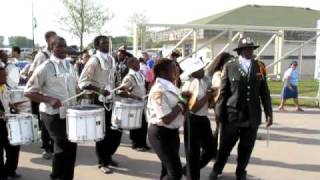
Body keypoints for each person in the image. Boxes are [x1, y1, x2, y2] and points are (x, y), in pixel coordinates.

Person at [209, 37, 273, 180]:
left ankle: (241, 172)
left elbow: (264, 92)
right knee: (225, 146)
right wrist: (219, 114)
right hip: (232, 115)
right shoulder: (230, 66)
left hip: (252, 116)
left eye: (251, 49)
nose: (250, 51)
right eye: (246, 49)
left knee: (246, 148)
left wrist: (269, 113)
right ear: (240, 51)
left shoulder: (260, 66)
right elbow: (223, 93)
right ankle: (217, 169)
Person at [24, 36, 78, 180]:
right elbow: (28, 91)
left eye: (64, 46)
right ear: (51, 48)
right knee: (62, 147)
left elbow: (75, 87)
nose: (63, 49)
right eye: (59, 46)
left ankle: (64, 176)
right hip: (52, 114)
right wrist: (49, 99)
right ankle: (57, 176)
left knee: (71, 147)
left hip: (70, 113)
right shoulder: (44, 67)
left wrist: (82, 93)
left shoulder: (70, 65)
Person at [78, 35, 121, 174]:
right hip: (99, 101)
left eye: (108, 42)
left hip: (111, 99)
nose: (107, 45)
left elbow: (113, 79)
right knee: (102, 133)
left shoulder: (111, 59)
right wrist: (100, 90)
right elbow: (83, 82)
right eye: (104, 43)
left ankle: (108, 156)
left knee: (115, 132)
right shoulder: (94, 61)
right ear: (97, 46)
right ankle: (103, 162)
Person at [147, 58, 190, 180]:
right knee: (176, 173)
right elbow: (166, 118)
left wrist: (186, 103)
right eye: (174, 68)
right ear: (163, 72)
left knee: (166, 169)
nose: (177, 71)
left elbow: (182, 111)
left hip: (172, 133)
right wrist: (181, 104)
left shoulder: (172, 87)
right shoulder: (158, 90)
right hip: (160, 133)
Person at [179, 58, 216, 180]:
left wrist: (212, 98)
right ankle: (192, 175)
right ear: (192, 72)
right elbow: (193, 108)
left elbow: (209, 103)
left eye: (201, 68)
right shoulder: (189, 85)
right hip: (192, 119)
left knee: (211, 150)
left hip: (203, 119)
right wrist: (208, 95)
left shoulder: (205, 80)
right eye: (198, 69)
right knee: (192, 153)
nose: (202, 70)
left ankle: (187, 169)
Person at [28, 31, 57, 159]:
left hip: (55, 93)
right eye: (53, 40)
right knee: (46, 122)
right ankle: (46, 148)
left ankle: (54, 145)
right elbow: (33, 73)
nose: (56, 42)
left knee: (54, 121)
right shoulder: (42, 55)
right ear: (47, 40)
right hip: (44, 94)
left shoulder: (55, 54)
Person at [118, 57, 150, 151]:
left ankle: (143, 143)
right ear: (131, 65)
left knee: (144, 125)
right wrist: (134, 97)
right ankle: (136, 144)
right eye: (136, 63)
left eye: (138, 63)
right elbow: (121, 92)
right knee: (136, 126)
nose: (139, 64)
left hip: (142, 103)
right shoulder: (129, 77)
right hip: (134, 105)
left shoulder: (139, 74)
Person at [0, 63, 21, 180]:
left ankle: (10, 170)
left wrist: (13, 106)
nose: (6, 77)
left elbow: (7, 101)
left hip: (7, 122)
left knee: (14, 147)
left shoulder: (4, 87)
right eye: (3, 75)